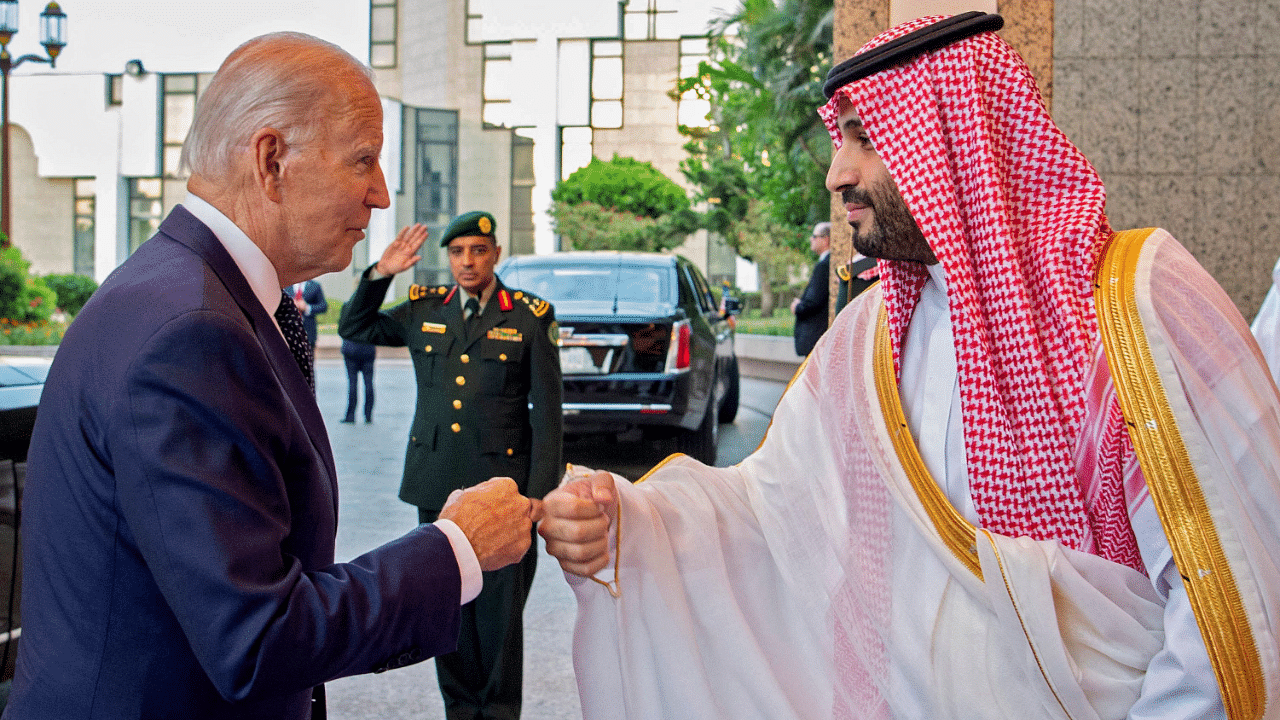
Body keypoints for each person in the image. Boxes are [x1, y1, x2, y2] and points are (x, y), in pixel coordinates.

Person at [537, 12, 1280, 720]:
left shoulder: (1136, 303)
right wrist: (629, 525)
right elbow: (772, 512)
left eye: (865, 138)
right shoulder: (868, 338)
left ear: (954, 136)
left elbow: (1231, 603)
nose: (837, 174)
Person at [5, 33, 542, 720]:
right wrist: (456, 548)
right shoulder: (190, 331)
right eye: (364, 161)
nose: (380, 195)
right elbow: (257, 635)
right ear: (271, 161)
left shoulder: (185, 293)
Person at [339, 211, 562, 720]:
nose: (468, 261)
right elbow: (355, 325)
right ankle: (460, 713)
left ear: (496, 254)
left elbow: (548, 415)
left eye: (478, 250)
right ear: (448, 257)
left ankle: (499, 713)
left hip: (507, 490)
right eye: (458, 251)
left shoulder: (529, 316)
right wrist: (382, 273)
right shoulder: (425, 309)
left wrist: (539, 497)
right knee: (452, 612)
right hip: (438, 485)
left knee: (500, 622)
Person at [790, 221, 832, 355]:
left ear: (826, 240)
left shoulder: (824, 266)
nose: (810, 239)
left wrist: (797, 307)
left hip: (816, 337)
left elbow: (814, 302)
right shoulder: (827, 262)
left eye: (814, 236)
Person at [340, 337, 377, 423]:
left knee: (352, 383)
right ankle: (368, 415)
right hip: (368, 348)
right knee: (368, 383)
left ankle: (350, 415)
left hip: (351, 349)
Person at [289, 279, 329, 348]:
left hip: (308, 331)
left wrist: (307, 307)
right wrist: (289, 304)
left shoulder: (315, 286)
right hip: (288, 330)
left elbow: (323, 306)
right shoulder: (286, 285)